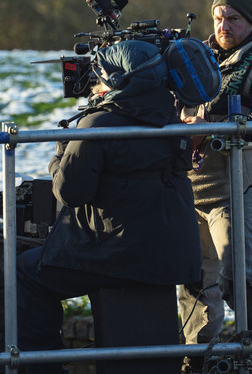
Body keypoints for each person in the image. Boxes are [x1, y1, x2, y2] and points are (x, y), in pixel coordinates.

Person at [17, 40, 202, 374]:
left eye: (102, 74)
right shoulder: (173, 121)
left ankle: (42, 367)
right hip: (171, 254)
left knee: (26, 273)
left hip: (120, 254)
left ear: (118, 80)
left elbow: (69, 192)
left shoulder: (98, 124)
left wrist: (61, 152)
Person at [177, 0, 252, 374]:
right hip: (191, 186)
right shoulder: (195, 58)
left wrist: (212, 126)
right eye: (219, 16)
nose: (223, 24)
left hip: (234, 183)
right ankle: (196, 358)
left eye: (234, 18)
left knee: (235, 275)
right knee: (194, 277)